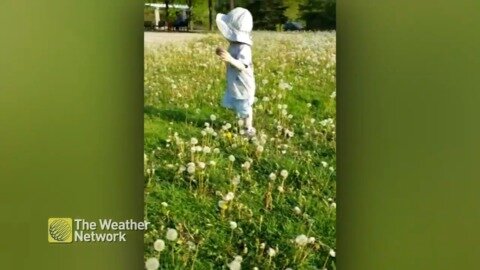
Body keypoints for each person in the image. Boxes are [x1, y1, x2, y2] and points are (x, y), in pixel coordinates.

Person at [215, 7, 256, 137]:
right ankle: (242, 126)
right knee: (239, 105)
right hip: (236, 82)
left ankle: (248, 129)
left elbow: (243, 65)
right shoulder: (234, 45)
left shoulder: (244, 48)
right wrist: (222, 53)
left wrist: (230, 59)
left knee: (245, 107)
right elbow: (230, 58)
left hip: (244, 83)